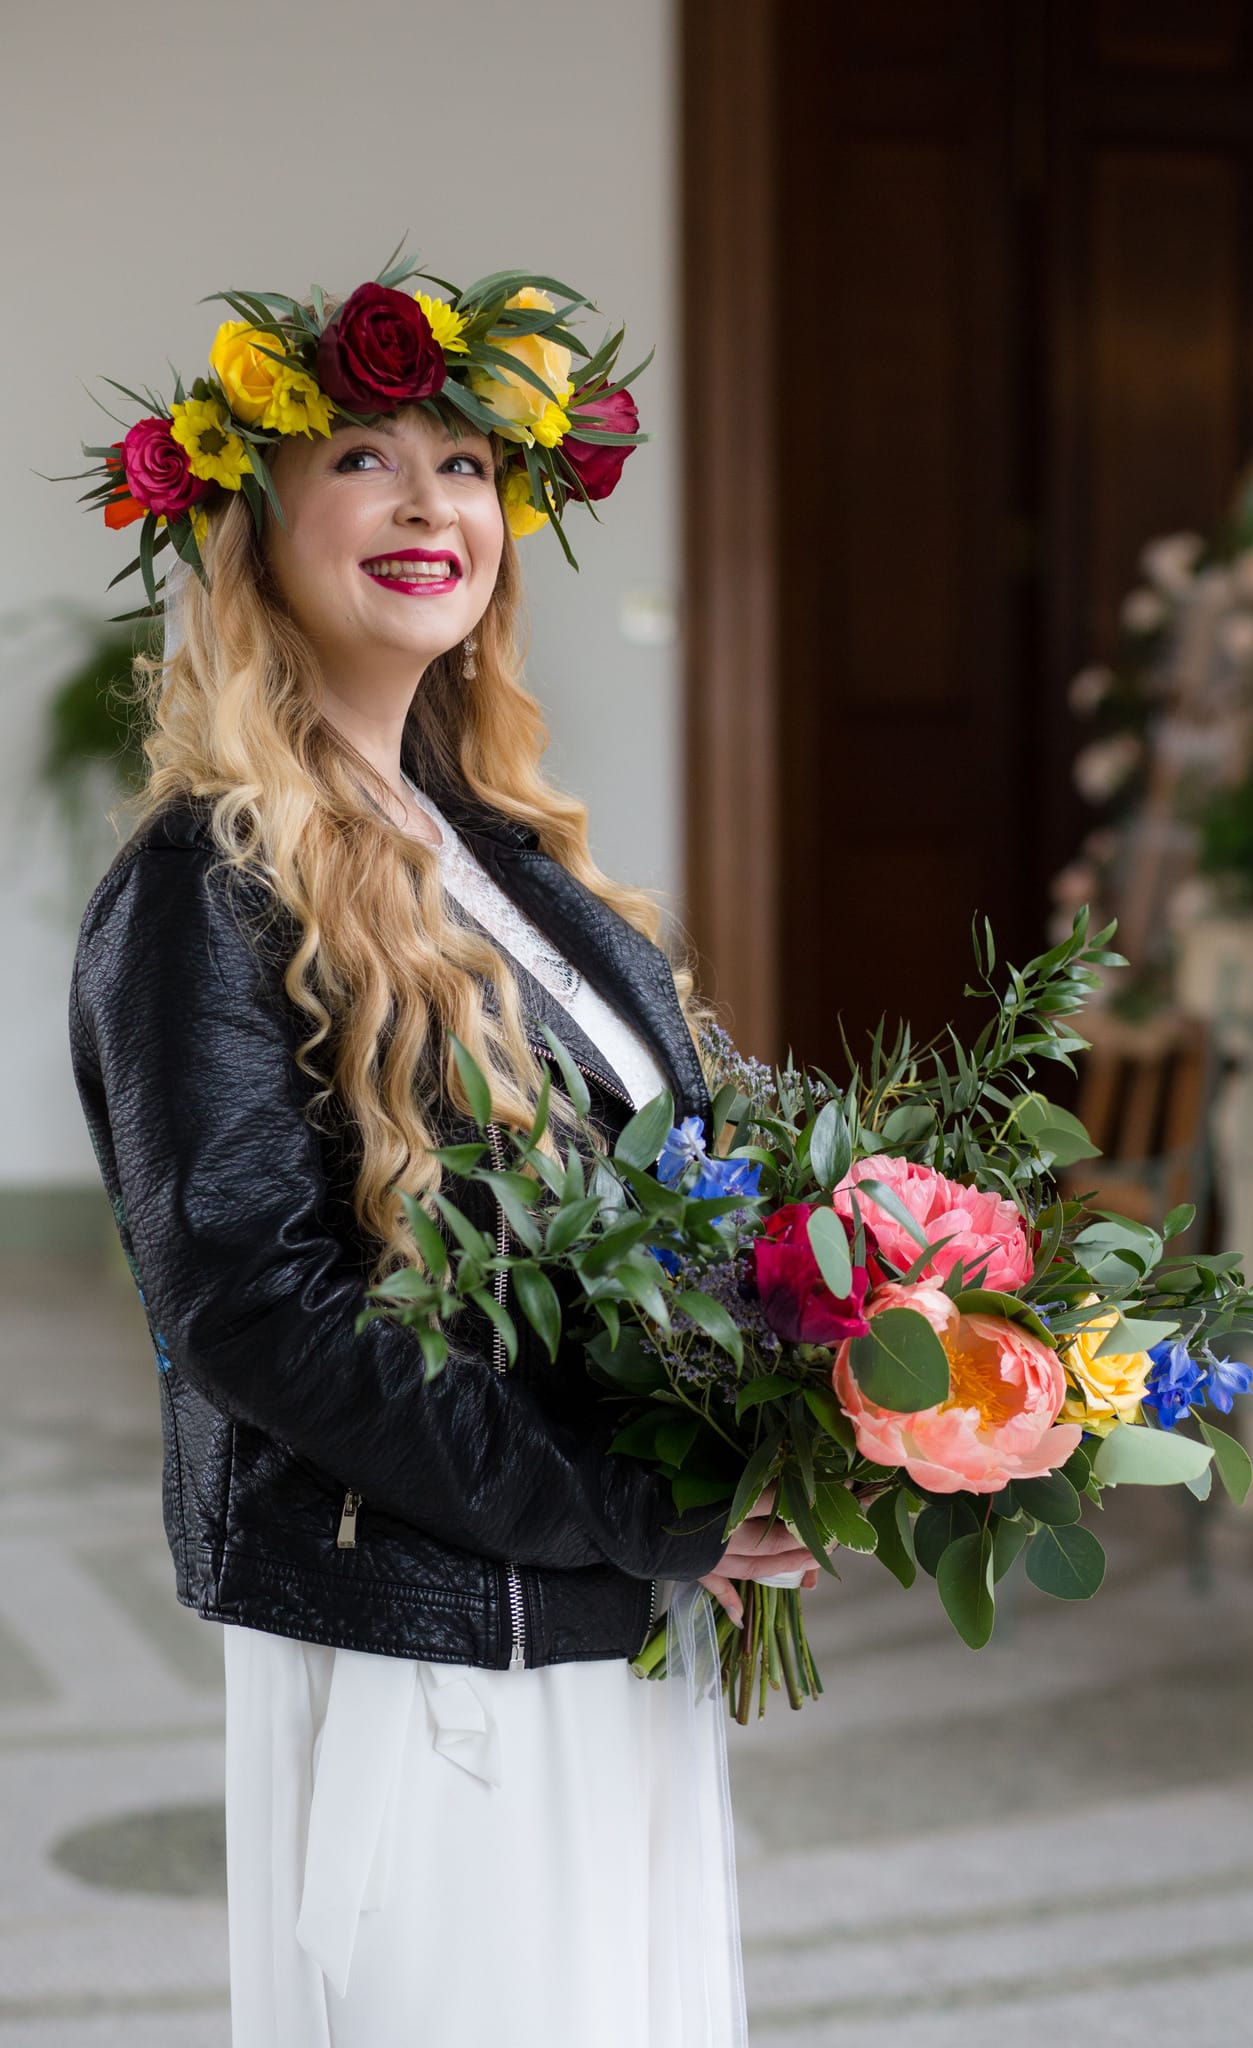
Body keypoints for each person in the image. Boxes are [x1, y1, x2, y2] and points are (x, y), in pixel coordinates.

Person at [67, 261, 818, 2046]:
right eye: (363, 457)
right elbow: (259, 1309)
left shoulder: (510, 863)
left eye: (468, 466)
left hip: (600, 1620)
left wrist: (865, 1333)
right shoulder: (205, 881)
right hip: (432, 1651)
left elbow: (681, 1185)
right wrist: (639, 1508)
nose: (429, 504)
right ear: (252, 526)